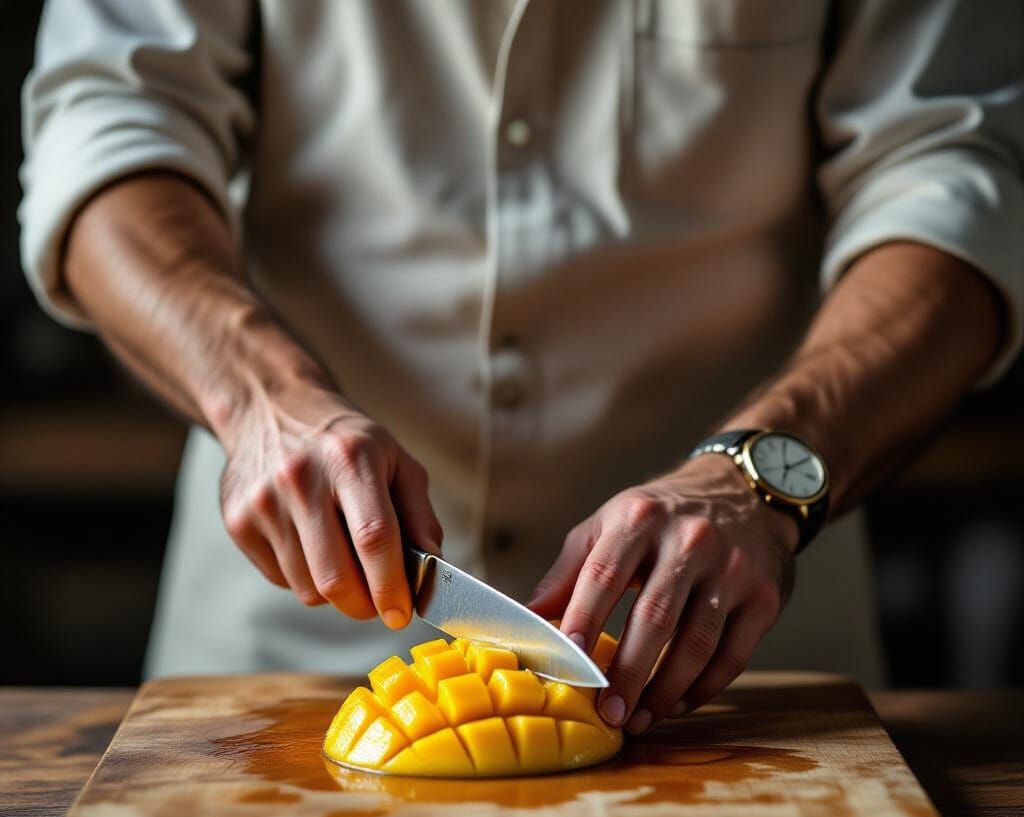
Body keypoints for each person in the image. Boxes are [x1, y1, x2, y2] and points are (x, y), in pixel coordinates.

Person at [21, 1, 1024, 736]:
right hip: (269, 667)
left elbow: (958, 169)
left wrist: (758, 475)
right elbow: (111, 114)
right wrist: (258, 396)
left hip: (738, 682)